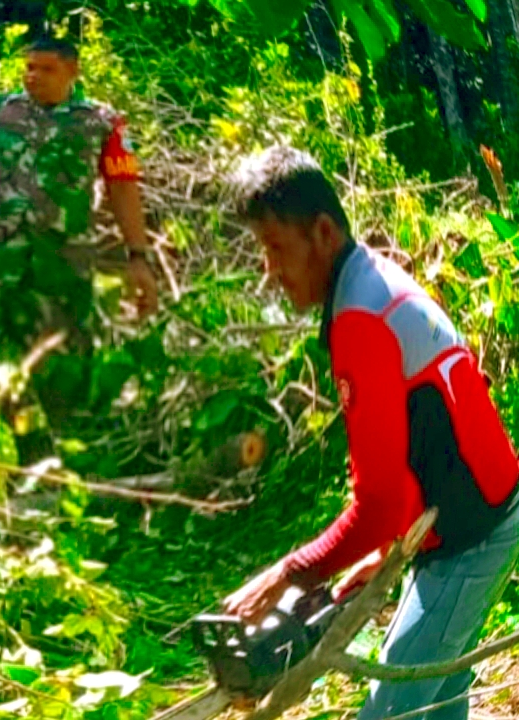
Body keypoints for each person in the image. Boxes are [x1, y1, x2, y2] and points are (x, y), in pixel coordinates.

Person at [222, 145, 519, 720]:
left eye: (275, 248)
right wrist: (380, 553)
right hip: (467, 523)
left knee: (389, 711)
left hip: (473, 538)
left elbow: (379, 504)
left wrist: (288, 573)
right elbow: (418, 446)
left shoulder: (361, 317)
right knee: (434, 700)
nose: (269, 269)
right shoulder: (373, 284)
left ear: (323, 233)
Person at [0, 35, 158, 451]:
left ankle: (51, 469)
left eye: (46, 68)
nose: (34, 76)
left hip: (61, 271)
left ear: (72, 71)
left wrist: (138, 256)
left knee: (59, 374)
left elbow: (123, 188)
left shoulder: (102, 123)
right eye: (29, 67)